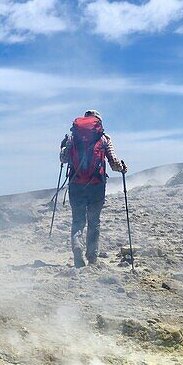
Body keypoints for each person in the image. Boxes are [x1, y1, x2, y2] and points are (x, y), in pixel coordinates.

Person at [60, 110, 127, 267]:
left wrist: (63, 148)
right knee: (94, 221)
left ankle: (77, 247)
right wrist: (123, 168)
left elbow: (63, 159)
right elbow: (114, 163)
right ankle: (92, 257)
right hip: (96, 186)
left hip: (76, 184)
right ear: (99, 122)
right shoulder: (104, 138)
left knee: (78, 220)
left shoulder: (72, 137)